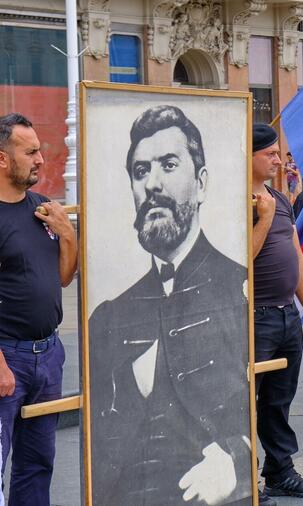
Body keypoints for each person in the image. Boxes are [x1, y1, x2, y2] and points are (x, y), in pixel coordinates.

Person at [89, 106, 252, 505]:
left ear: (201, 183)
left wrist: (238, 462)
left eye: (168, 164)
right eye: (141, 171)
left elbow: (262, 402)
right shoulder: (109, 316)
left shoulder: (240, 288)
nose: (153, 184)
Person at [0, 114, 77, 505]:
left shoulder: (44, 208)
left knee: (38, 461)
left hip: (47, 354)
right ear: (2, 159)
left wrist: (67, 234)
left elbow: (64, 277)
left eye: (39, 151)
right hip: (6, 356)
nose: (40, 160)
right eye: (30, 152)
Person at [250, 124, 303, 499]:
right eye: (271, 154)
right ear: (249, 157)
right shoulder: (238, 201)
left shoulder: (278, 198)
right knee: (246, 401)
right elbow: (239, 258)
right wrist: (261, 218)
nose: (279, 160)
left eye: (278, 153)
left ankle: (279, 470)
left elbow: (296, 255)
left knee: (279, 400)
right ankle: (243, 475)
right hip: (255, 318)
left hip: (285, 315)